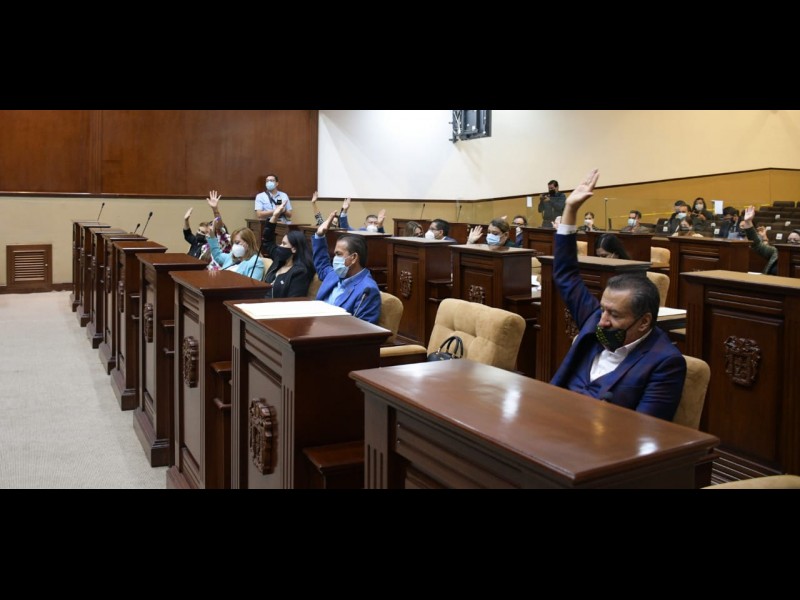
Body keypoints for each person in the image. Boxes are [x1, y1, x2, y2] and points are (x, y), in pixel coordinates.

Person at [550, 168, 686, 421]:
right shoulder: (594, 319)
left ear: (644, 322)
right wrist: (570, 210)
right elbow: (566, 275)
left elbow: (644, 430)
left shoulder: (664, 362)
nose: (602, 321)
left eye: (614, 315)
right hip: (551, 420)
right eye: (603, 309)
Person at [312, 211, 381, 324]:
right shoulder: (335, 275)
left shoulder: (367, 290)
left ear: (353, 258)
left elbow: (363, 329)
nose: (335, 258)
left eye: (338, 254)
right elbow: (322, 265)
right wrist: (319, 235)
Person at [260, 203, 315, 297]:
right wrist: (274, 216)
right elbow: (267, 240)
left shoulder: (300, 272)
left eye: (284, 244)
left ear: (294, 249)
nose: (280, 246)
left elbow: (292, 300)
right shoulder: (279, 260)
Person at [206, 190, 264, 279]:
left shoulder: (255, 262)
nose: (234, 246)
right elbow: (217, 255)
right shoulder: (232, 257)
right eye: (233, 243)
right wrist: (212, 236)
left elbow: (252, 285)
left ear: (248, 242)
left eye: (237, 242)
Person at [739, 206, 785, 275]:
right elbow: (757, 245)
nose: (791, 242)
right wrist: (748, 222)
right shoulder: (776, 252)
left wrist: (764, 237)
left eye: (795, 240)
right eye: (789, 240)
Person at [200, 190, 232, 270]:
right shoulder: (204, 247)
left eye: (212, 225)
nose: (210, 228)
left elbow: (219, 226)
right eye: (209, 226)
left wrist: (215, 210)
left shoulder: (225, 240)